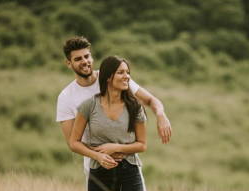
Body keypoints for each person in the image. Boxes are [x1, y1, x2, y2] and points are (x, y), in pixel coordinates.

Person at [69, 56, 149, 191]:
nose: (127, 76)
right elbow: (74, 142)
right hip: (99, 174)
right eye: (121, 72)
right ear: (108, 77)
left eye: (128, 72)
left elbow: (142, 144)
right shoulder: (89, 106)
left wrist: (117, 147)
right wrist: (98, 155)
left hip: (129, 172)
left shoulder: (135, 107)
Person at [56, 36, 171, 173]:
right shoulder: (66, 97)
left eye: (87, 56)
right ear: (68, 63)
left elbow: (151, 100)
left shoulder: (114, 77)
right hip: (96, 163)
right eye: (78, 59)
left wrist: (161, 115)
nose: (84, 61)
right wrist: (100, 154)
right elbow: (72, 142)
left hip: (127, 159)